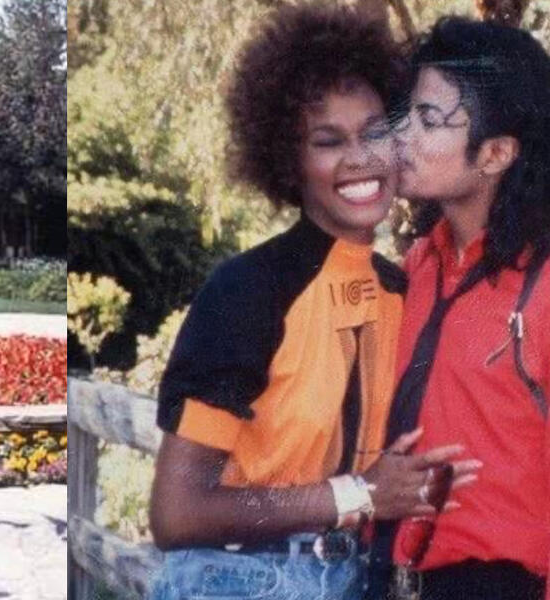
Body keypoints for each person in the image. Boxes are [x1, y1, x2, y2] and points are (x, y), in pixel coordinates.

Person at [147, 5, 479, 599]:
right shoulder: (248, 291)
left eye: (375, 131)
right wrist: (358, 494)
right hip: (234, 581)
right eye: (328, 141)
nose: (358, 158)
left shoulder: (403, 290)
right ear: (288, 160)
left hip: (353, 578)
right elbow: (177, 513)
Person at [384, 16, 550, 600]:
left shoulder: (546, 288)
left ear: (496, 153)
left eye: (429, 120)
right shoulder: (414, 272)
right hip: (389, 581)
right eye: (407, 113)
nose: (402, 134)